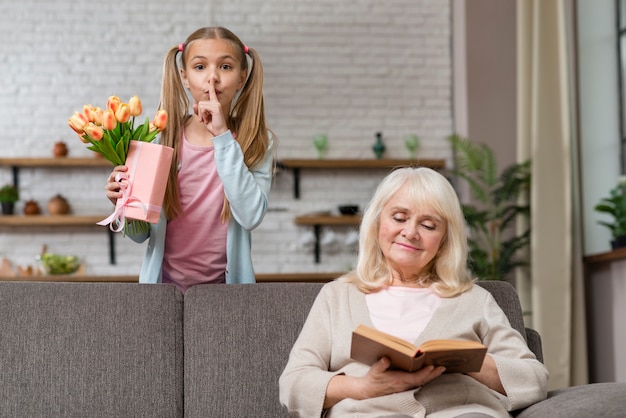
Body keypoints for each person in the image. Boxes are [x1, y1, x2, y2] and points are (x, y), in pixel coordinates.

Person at [279, 167, 548, 417]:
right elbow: (293, 383)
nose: (410, 232)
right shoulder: (336, 297)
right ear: (376, 223)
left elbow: (534, 379)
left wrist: (467, 360)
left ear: (444, 240)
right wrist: (363, 387)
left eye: (428, 225)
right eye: (399, 217)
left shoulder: (474, 300)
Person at [105, 27, 276, 291]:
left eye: (226, 67)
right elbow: (140, 236)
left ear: (242, 78)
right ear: (184, 77)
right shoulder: (159, 139)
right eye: (200, 67)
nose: (212, 78)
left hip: (227, 292)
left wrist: (222, 136)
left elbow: (251, 215)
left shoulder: (256, 141)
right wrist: (123, 203)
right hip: (163, 290)